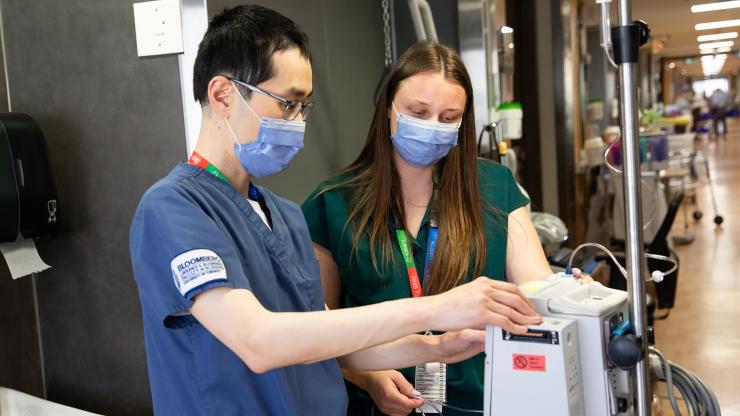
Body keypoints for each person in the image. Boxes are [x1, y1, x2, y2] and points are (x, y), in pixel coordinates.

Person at [129, 6, 542, 416]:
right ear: (223, 94)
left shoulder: (285, 216)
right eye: (287, 104)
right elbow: (258, 341)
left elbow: (323, 340)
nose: (297, 122)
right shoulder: (173, 210)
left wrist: (434, 346)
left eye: (304, 107)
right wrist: (435, 308)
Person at [302, 42, 584, 416]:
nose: (433, 127)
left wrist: (567, 295)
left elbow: (535, 290)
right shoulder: (334, 203)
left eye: (449, 118)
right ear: (388, 108)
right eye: (418, 112)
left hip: (485, 403)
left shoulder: (495, 188)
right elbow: (314, 333)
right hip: (378, 406)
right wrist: (367, 376)